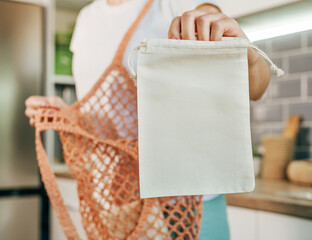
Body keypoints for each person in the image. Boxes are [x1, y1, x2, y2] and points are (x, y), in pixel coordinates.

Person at [25, 0, 270, 239]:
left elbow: (255, 90)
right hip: (117, 201)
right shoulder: (87, 18)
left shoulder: (174, 5)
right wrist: (67, 112)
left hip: (186, 203)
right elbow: (101, 119)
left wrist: (247, 53)